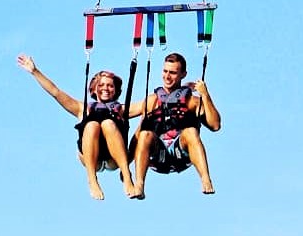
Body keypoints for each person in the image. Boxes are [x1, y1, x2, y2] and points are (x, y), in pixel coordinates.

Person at [17, 53, 142, 200]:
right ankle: (92, 180)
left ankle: (127, 177)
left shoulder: (121, 109)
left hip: (113, 159)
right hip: (90, 159)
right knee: (92, 125)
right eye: (101, 85)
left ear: (115, 90)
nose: (105, 88)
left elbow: (147, 105)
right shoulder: (82, 108)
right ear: (94, 89)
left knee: (108, 123)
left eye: (110, 85)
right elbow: (56, 92)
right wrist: (35, 71)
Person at [131, 51, 220, 195]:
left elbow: (215, 125)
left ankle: (205, 179)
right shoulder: (152, 100)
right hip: (157, 156)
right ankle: (139, 184)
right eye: (165, 71)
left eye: (172, 72)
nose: (167, 76)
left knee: (190, 132)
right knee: (145, 133)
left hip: (182, 155)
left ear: (183, 74)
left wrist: (205, 94)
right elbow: (137, 134)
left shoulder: (192, 102)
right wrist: (126, 167)